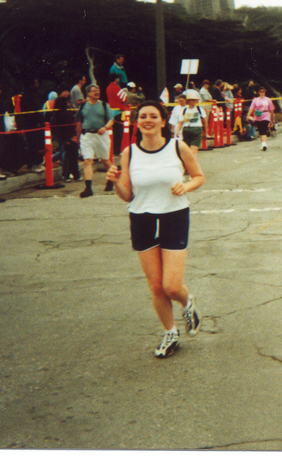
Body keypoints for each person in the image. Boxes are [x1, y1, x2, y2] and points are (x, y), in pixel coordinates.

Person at [106, 100, 205, 356]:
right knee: (156, 286)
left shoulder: (177, 146)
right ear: (136, 122)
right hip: (142, 219)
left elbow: (198, 176)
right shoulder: (129, 152)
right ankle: (170, 333)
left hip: (174, 216)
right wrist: (116, 183)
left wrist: (186, 186)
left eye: (152, 116)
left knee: (172, 285)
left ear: (163, 121)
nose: (147, 120)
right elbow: (127, 195)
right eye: (142, 117)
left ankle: (187, 302)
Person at [75, 84, 115, 198]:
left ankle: (111, 179)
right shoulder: (83, 107)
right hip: (87, 136)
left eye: (97, 91)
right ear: (88, 93)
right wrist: (77, 138)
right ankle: (88, 188)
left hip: (101, 136)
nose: (96, 93)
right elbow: (79, 123)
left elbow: (111, 120)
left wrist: (105, 127)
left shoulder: (103, 105)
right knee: (88, 161)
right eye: (94, 91)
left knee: (105, 160)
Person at [179, 90, 208, 156]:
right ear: (188, 101)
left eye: (194, 100)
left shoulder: (199, 109)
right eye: (191, 100)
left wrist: (205, 132)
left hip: (197, 129)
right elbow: (181, 122)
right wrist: (177, 131)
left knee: (193, 150)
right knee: (187, 150)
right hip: (186, 130)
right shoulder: (184, 110)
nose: (193, 101)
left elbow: (205, 122)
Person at [247, 86, 275, 151]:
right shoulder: (255, 100)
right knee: (260, 130)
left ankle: (264, 144)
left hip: (266, 115)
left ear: (265, 92)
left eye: (263, 91)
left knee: (264, 129)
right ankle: (262, 143)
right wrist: (248, 115)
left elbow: (271, 109)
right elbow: (251, 108)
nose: (262, 93)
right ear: (258, 92)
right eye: (260, 91)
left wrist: (272, 118)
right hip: (258, 115)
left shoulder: (268, 99)